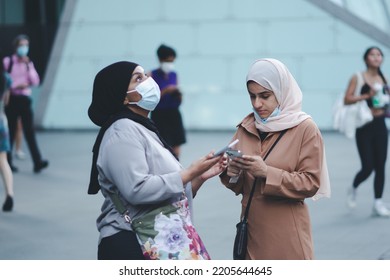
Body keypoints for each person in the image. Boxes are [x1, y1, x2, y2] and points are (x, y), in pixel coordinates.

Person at [87, 61, 226, 260]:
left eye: (144, 75)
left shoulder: (141, 127)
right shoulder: (121, 131)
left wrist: (199, 177)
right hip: (131, 243)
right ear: (123, 97)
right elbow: (137, 189)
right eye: (138, 78)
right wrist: (188, 173)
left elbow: (167, 195)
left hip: (150, 239)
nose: (148, 81)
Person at [219, 58, 331, 260]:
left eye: (265, 96)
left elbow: (311, 182)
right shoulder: (247, 126)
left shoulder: (305, 128)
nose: (257, 104)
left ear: (282, 92)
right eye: (252, 96)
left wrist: (267, 172)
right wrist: (233, 173)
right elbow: (239, 185)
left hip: (286, 235)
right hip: (251, 232)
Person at [344, 46, 390, 217]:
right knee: (368, 167)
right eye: (373, 54)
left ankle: (377, 203)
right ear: (366, 59)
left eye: (379, 55)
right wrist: (367, 95)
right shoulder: (358, 77)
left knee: (381, 165)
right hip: (364, 126)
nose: (376, 57)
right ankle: (354, 187)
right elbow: (347, 99)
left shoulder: (384, 78)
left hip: (380, 125)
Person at [2, 34, 48, 173]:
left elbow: (35, 81)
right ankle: (8, 162)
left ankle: (37, 161)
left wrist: (28, 65)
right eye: (22, 45)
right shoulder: (8, 61)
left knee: (29, 131)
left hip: (25, 100)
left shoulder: (29, 63)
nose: (24, 48)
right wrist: (16, 85)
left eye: (26, 45)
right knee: (10, 131)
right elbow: (4, 81)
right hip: (12, 100)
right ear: (16, 46)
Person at [149, 44, 186, 159]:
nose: (170, 64)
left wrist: (178, 94)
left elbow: (179, 99)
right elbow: (150, 98)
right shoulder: (151, 75)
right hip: (159, 114)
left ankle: (177, 167)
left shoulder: (174, 75)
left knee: (176, 144)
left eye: (172, 61)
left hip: (173, 113)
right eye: (168, 61)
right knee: (162, 145)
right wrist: (165, 91)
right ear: (160, 59)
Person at [0, 52, 14, 211]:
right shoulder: (6, 78)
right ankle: (9, 193)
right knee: (3, 160)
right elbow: (7, 101)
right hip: (1, 121)